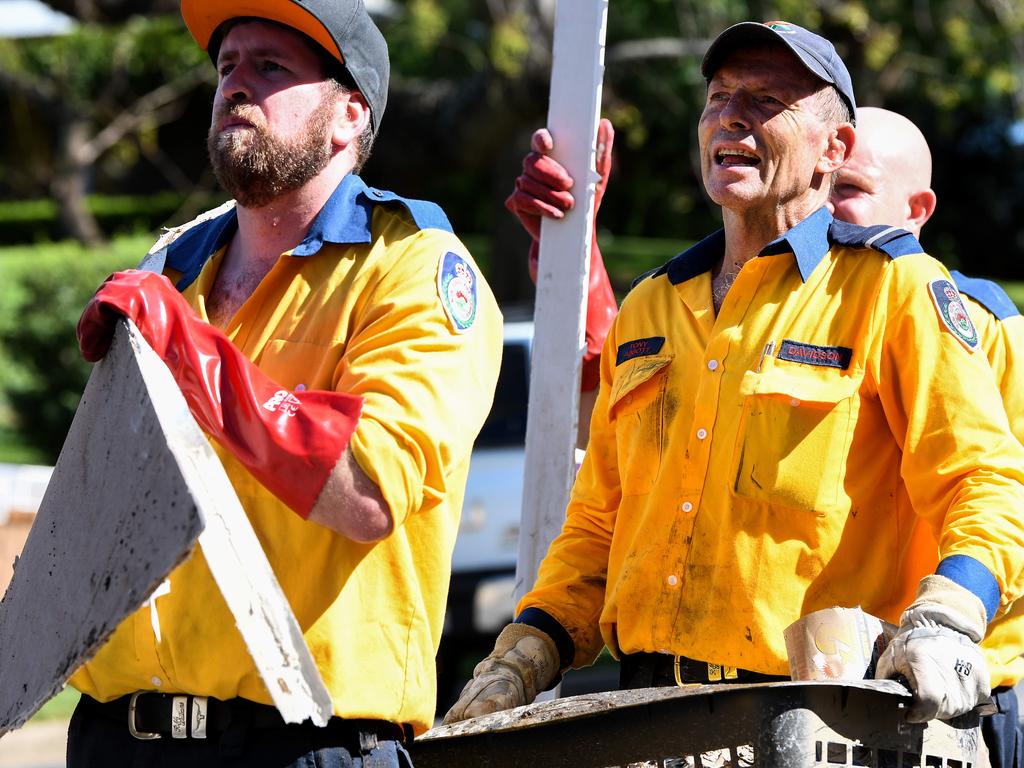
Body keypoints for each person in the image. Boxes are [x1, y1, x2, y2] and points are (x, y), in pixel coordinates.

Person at [444, 20, 1024, 735]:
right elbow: (598, 522)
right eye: (718, 97)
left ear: (832, 149)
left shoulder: (892, 289)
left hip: (818, 721)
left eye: (766, 100)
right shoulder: (653, 302)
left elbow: (986, 480)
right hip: (644, 716)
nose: (732, 117)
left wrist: (947, 617)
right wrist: (524, 654)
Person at [68, 0, 502, 765]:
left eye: (271, 67)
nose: (236, 84)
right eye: (227, 66)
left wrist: (183, 347)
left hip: (303, 746)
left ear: (348, 115)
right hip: (118, 735)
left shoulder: (415, 267)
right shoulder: (170, 265)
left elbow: (366, 489)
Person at [829, 106, 1024, 767]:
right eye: (819, 182)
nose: (823, 205)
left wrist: (946, 625)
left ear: (916, 209)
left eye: (847, 189)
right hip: (833, 686)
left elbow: (1007, 502)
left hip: (965, 692)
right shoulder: (792, 316)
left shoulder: (983, 324)